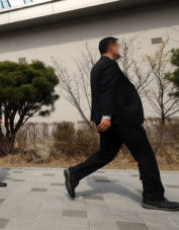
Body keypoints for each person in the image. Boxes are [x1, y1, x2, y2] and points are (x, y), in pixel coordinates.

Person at [64, 37, 179, 211]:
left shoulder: (97, 67)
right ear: (110, 47)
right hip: (122, 119)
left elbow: (102, 93)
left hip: (111, 120)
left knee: (106, 154)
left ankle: (74, 173)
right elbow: (109, 91)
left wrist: (104, 116)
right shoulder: (109, 66)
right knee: (145, 155)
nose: (119, 48)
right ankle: (153, 197)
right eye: (117, 45)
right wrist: (107, 116)